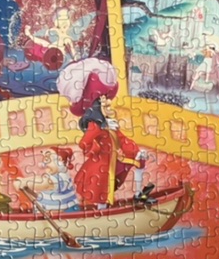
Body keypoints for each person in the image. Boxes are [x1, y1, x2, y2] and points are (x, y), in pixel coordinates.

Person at [58, 59, 151, 208]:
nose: (108, 105)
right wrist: (95, 148)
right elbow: (84, 143)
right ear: (96, 107)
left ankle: (139, 193)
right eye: (104, 103)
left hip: (114, 156)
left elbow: (120, 137)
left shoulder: (109, 121)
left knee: (139, 158)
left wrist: (135, 150)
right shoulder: (95, 125)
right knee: (100, 187)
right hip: (102, 160)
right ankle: (101, 209)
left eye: (107, 101)